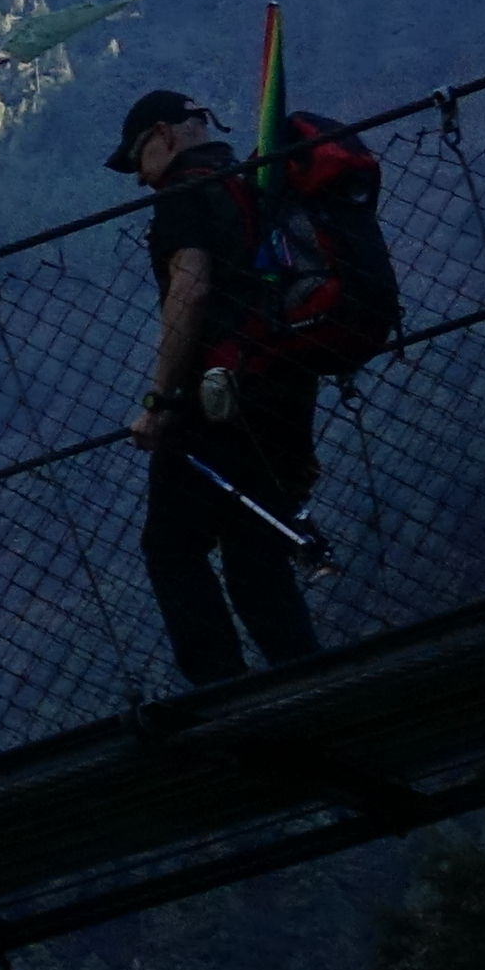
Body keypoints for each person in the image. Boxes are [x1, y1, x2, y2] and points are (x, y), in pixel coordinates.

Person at [111, 90, 321, 686]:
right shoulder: (256, 180)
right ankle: (310, 682)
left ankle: (221, 690)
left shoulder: (183, 192)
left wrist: (159, 403)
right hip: (288, 380)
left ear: (163, 134)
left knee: (171, 546)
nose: (140, 179)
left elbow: (191, 292)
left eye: (137, 159)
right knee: (256, 555)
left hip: (221, 394)